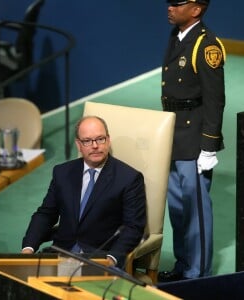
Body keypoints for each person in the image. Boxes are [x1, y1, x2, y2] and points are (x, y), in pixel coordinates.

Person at [158, 0, 225, 281]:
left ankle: (198, 275)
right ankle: (183, 265)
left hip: (195, 140)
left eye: (177, 3)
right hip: (174, 137)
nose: (169, 7)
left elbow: (214, 100)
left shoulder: (206, 45)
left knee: (196, 211)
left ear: (196, 9)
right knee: (178, 209)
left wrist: (208, 146)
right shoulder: (177, 35)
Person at [22, 116, 146, 268]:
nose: (95, 146)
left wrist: (112, 259)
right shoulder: (62, 173)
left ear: (108, 140)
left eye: (100, 139)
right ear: (78, 145)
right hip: (60, 253)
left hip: (98, 259)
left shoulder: (129, 178)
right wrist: (28, 248)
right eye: (87, 141)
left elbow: (133, 227)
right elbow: (46, 214)